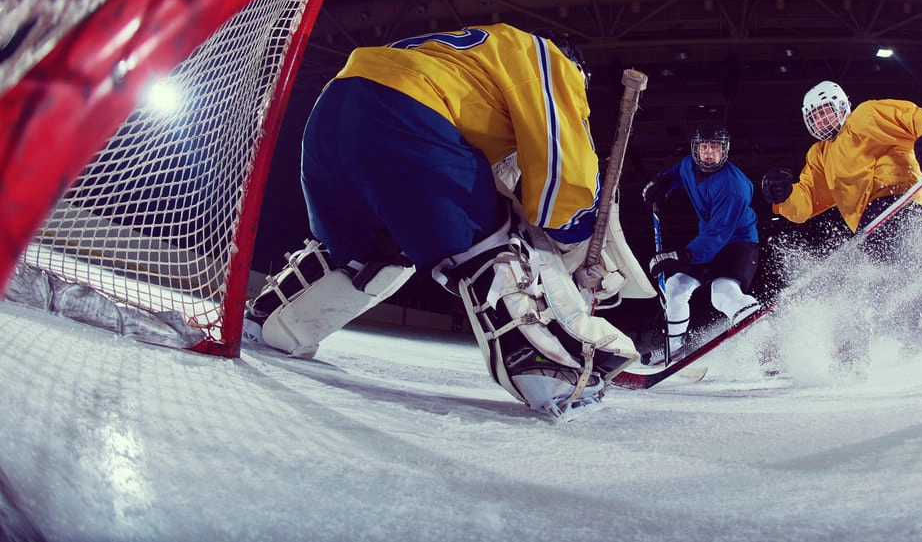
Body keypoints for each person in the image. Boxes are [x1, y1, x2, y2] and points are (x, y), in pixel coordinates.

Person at [243, 23, 641, 417]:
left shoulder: (468, 58)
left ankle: (270, 324)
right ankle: (557, 377)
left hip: (333, 113)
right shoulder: (550, 60)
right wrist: (579, 240)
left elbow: (489, 178)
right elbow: (561, 169)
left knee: (369, 253)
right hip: (408, 115)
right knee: (494, 243)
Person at [760, 80, 922, 359]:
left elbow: (915, 116)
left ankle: (855, 347)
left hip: (900, 198)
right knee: (881, 276)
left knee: (868, 275)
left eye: (826, 111)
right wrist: (784, 195)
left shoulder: (866, 115)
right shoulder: (820, 155)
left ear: (842, 106)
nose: (821, 120)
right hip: (872, 222)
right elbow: (806, 202)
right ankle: (915, 329)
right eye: (814, 116)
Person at [640, 125, 761, 362]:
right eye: (703, 146)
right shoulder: (689, 164)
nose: (708, 152)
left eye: (715, 147)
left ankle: (767, 344)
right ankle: (674, 349)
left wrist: (681, 255)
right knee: (675, 287)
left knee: (723, 292)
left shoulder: (734, 188)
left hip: (738, 244)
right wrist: (663, 181)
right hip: (706, 243)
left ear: (724, 150)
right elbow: (679, 173)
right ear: (695, 149)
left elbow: (718, 234)